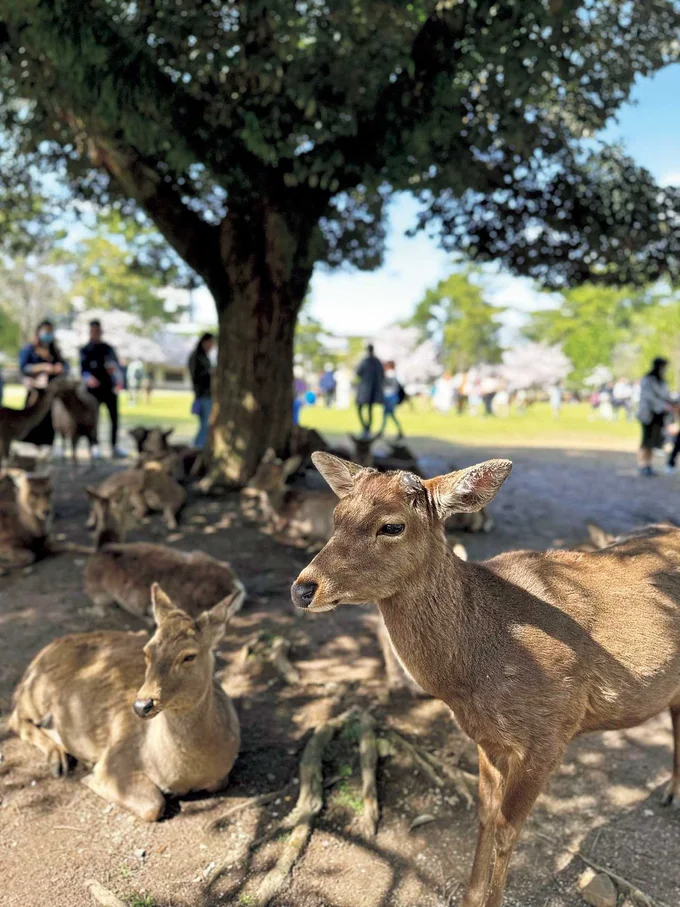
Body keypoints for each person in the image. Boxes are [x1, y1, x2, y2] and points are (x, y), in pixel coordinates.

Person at [18, 319, 69, 448]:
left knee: (48, 422)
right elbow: (23, 367)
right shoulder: (29, 349)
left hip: (49, 394)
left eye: (50, 332)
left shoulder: (54, 350)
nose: (48, 335)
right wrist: (42, 367)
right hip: (34, 392)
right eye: (46, 331)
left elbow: (65, 366)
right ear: (38, 332)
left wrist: (59, 368)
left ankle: (47, 446)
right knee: (31, 420)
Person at [80, 319, 126, 458]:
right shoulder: (85, 350)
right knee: (94, 419)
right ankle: (94, 446)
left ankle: (114, 446)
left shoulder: (108, 349)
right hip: (93, 391)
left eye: (97, 331)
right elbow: (83, 370)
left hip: (109, 388)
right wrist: (89, 379)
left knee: (114, 418)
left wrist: (118, 380)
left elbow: (116, 367)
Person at [637, 357, 674, 477]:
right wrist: (663, 405)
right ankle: (642, 464)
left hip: (658, 415)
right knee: (646, 440)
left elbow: (666, 396)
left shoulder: (661, 381)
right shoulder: (648, 380)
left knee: (653, 441)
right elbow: (648, 397)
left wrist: (671, 403)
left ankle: (648, 464)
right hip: (648, 414)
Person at [188, 332, 215, 449]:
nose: (212, 346)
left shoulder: (204, 357)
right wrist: (210, 374)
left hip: (207, 395)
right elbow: (196, 377)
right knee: (205, 424)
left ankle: (199, 446)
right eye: (210, 343)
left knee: (206, 424)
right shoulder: (196, 357)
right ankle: (198, 447)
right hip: (202, 395)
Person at [355, 344, 384, 437]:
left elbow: (358, 372)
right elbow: (382, 374)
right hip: (373, 389)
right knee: (370, 410)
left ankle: (366, 427)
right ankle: (367, 427)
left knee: (360, 408)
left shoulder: (365, 361)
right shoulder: (377, 362)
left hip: (365, 389)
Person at [380, 360, 405, 439]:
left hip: (389, 396)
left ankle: (382, 431)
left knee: (388, 415)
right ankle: (383, 431)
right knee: (389, 415)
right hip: (393, 396)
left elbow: (384, 385)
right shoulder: (396, 375)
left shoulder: (388, 374)